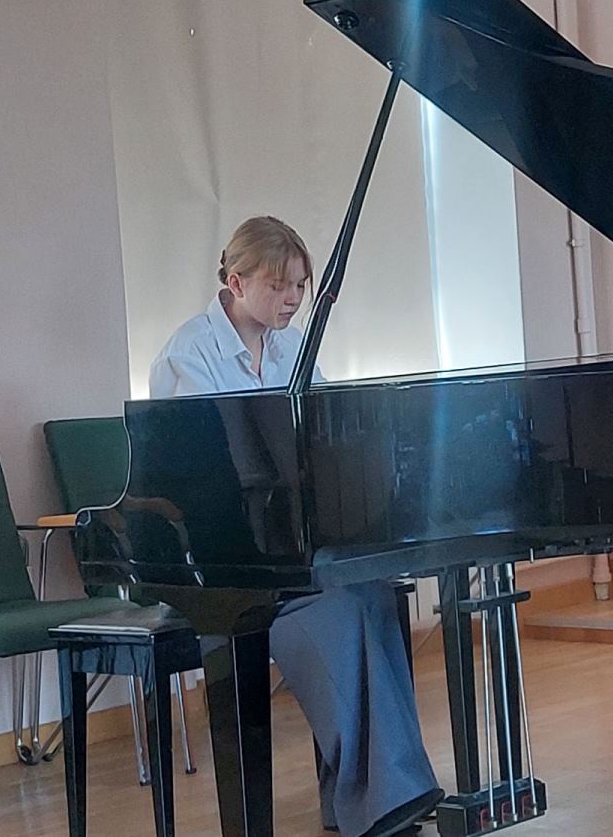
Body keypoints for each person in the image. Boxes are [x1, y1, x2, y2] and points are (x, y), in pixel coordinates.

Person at [149, 215, 442, 836]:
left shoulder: (289, 347)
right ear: (236, 281)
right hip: (221, 557)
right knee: (338, 606)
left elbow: (322, 434)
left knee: (374, 592)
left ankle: (371, 797)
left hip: (283, 545)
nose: (293, 299)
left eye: (300, 286)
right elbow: (199, 475)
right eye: (279, 285)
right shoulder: (188, 353)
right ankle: (384, 795)